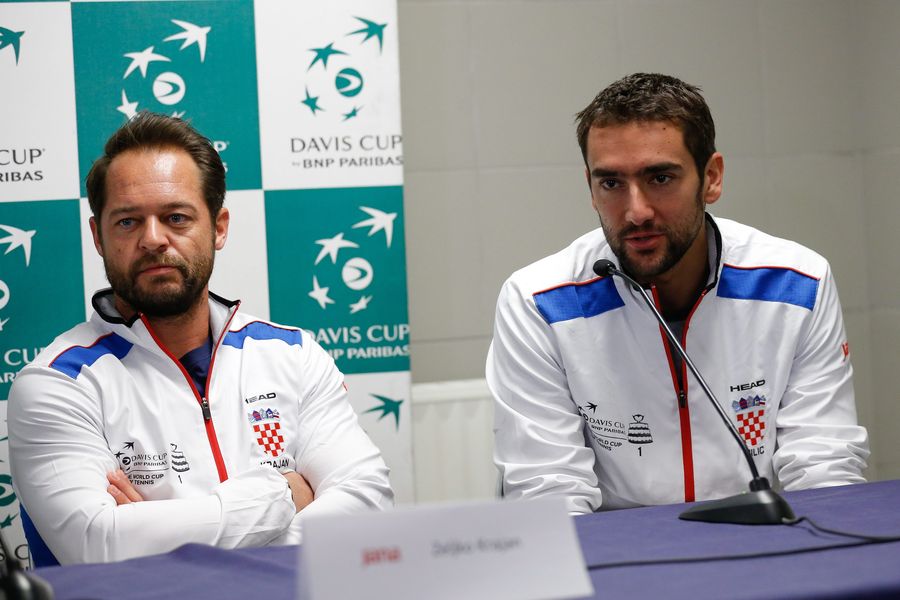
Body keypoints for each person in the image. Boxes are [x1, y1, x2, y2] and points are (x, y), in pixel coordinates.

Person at [8, 112, 393, 564]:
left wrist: (158, 534)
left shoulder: (292, 355)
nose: (153, 239)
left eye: (176, 217)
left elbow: (368, 501)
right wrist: (285, 495)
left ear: (219, 227)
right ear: (98, 236)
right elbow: (99, 544)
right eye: (128, 222)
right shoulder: (58, 383)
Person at [487, 73, 869, 515]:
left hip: (754, 542)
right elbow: (550, 494)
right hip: (617, 551)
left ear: (711, 178)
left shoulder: (795, 284)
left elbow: (824, 466)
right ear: (590, 187)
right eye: (611, 183)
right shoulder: (538, 302)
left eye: (660, 178)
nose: (636, 212)